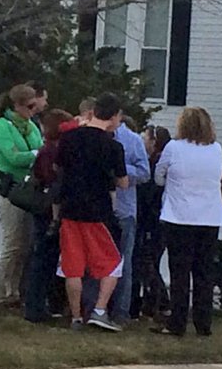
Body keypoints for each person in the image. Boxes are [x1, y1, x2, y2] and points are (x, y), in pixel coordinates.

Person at [54, 93, 129, 331]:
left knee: (72, 265)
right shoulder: (113, 146)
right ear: (114, 116)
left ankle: (76, 316)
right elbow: (123, 181)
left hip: (70, 207)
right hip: (98, 211)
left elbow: (58, 166)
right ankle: (99, 310)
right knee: (112, 262)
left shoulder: (69, 138)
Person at [153, 107, 222, 337]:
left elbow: (159, 176)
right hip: (209, 217)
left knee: (179, 272)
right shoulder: (216, 149)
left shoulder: (174, 148)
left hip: (180, 216)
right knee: (204, 272)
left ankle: (177, 322)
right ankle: (203, 323)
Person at [0, 84, 44, 306]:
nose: (33, 110)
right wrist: (35, 154)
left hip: (28, 189)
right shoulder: (1, 127)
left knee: (26, 243)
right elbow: (12, 158)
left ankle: (14, 291)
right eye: (30, 106)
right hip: (9, 188)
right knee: (12, 241)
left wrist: (34, 154)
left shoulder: (31, 126)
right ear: (16, 105)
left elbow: (38, 149)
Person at [24, 108, 75, 323]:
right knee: (45, 258)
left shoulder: (45, 151)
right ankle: (35, 306)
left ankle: (36, 303)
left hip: (41, 207)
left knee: (42, 257)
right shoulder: (54, 153)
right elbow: (55, 181)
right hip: (49, 210)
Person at [111, 114, 151, 325]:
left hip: (124, 208)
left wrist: (121, 170)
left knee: (123, 262)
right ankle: (94, 309)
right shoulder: (97, 135)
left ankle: (121, 312)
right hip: (99, 207)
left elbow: (145, 173)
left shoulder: (132, 140)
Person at [131, 126, 171, 319]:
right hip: (158, 221)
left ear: (154, 142)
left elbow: (149, 197)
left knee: (147, 262)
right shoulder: (157, 164)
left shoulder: (155, 167)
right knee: (150, 263)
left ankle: (159, 302)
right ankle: (156, 303)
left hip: (153, 222)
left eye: (145, 138)